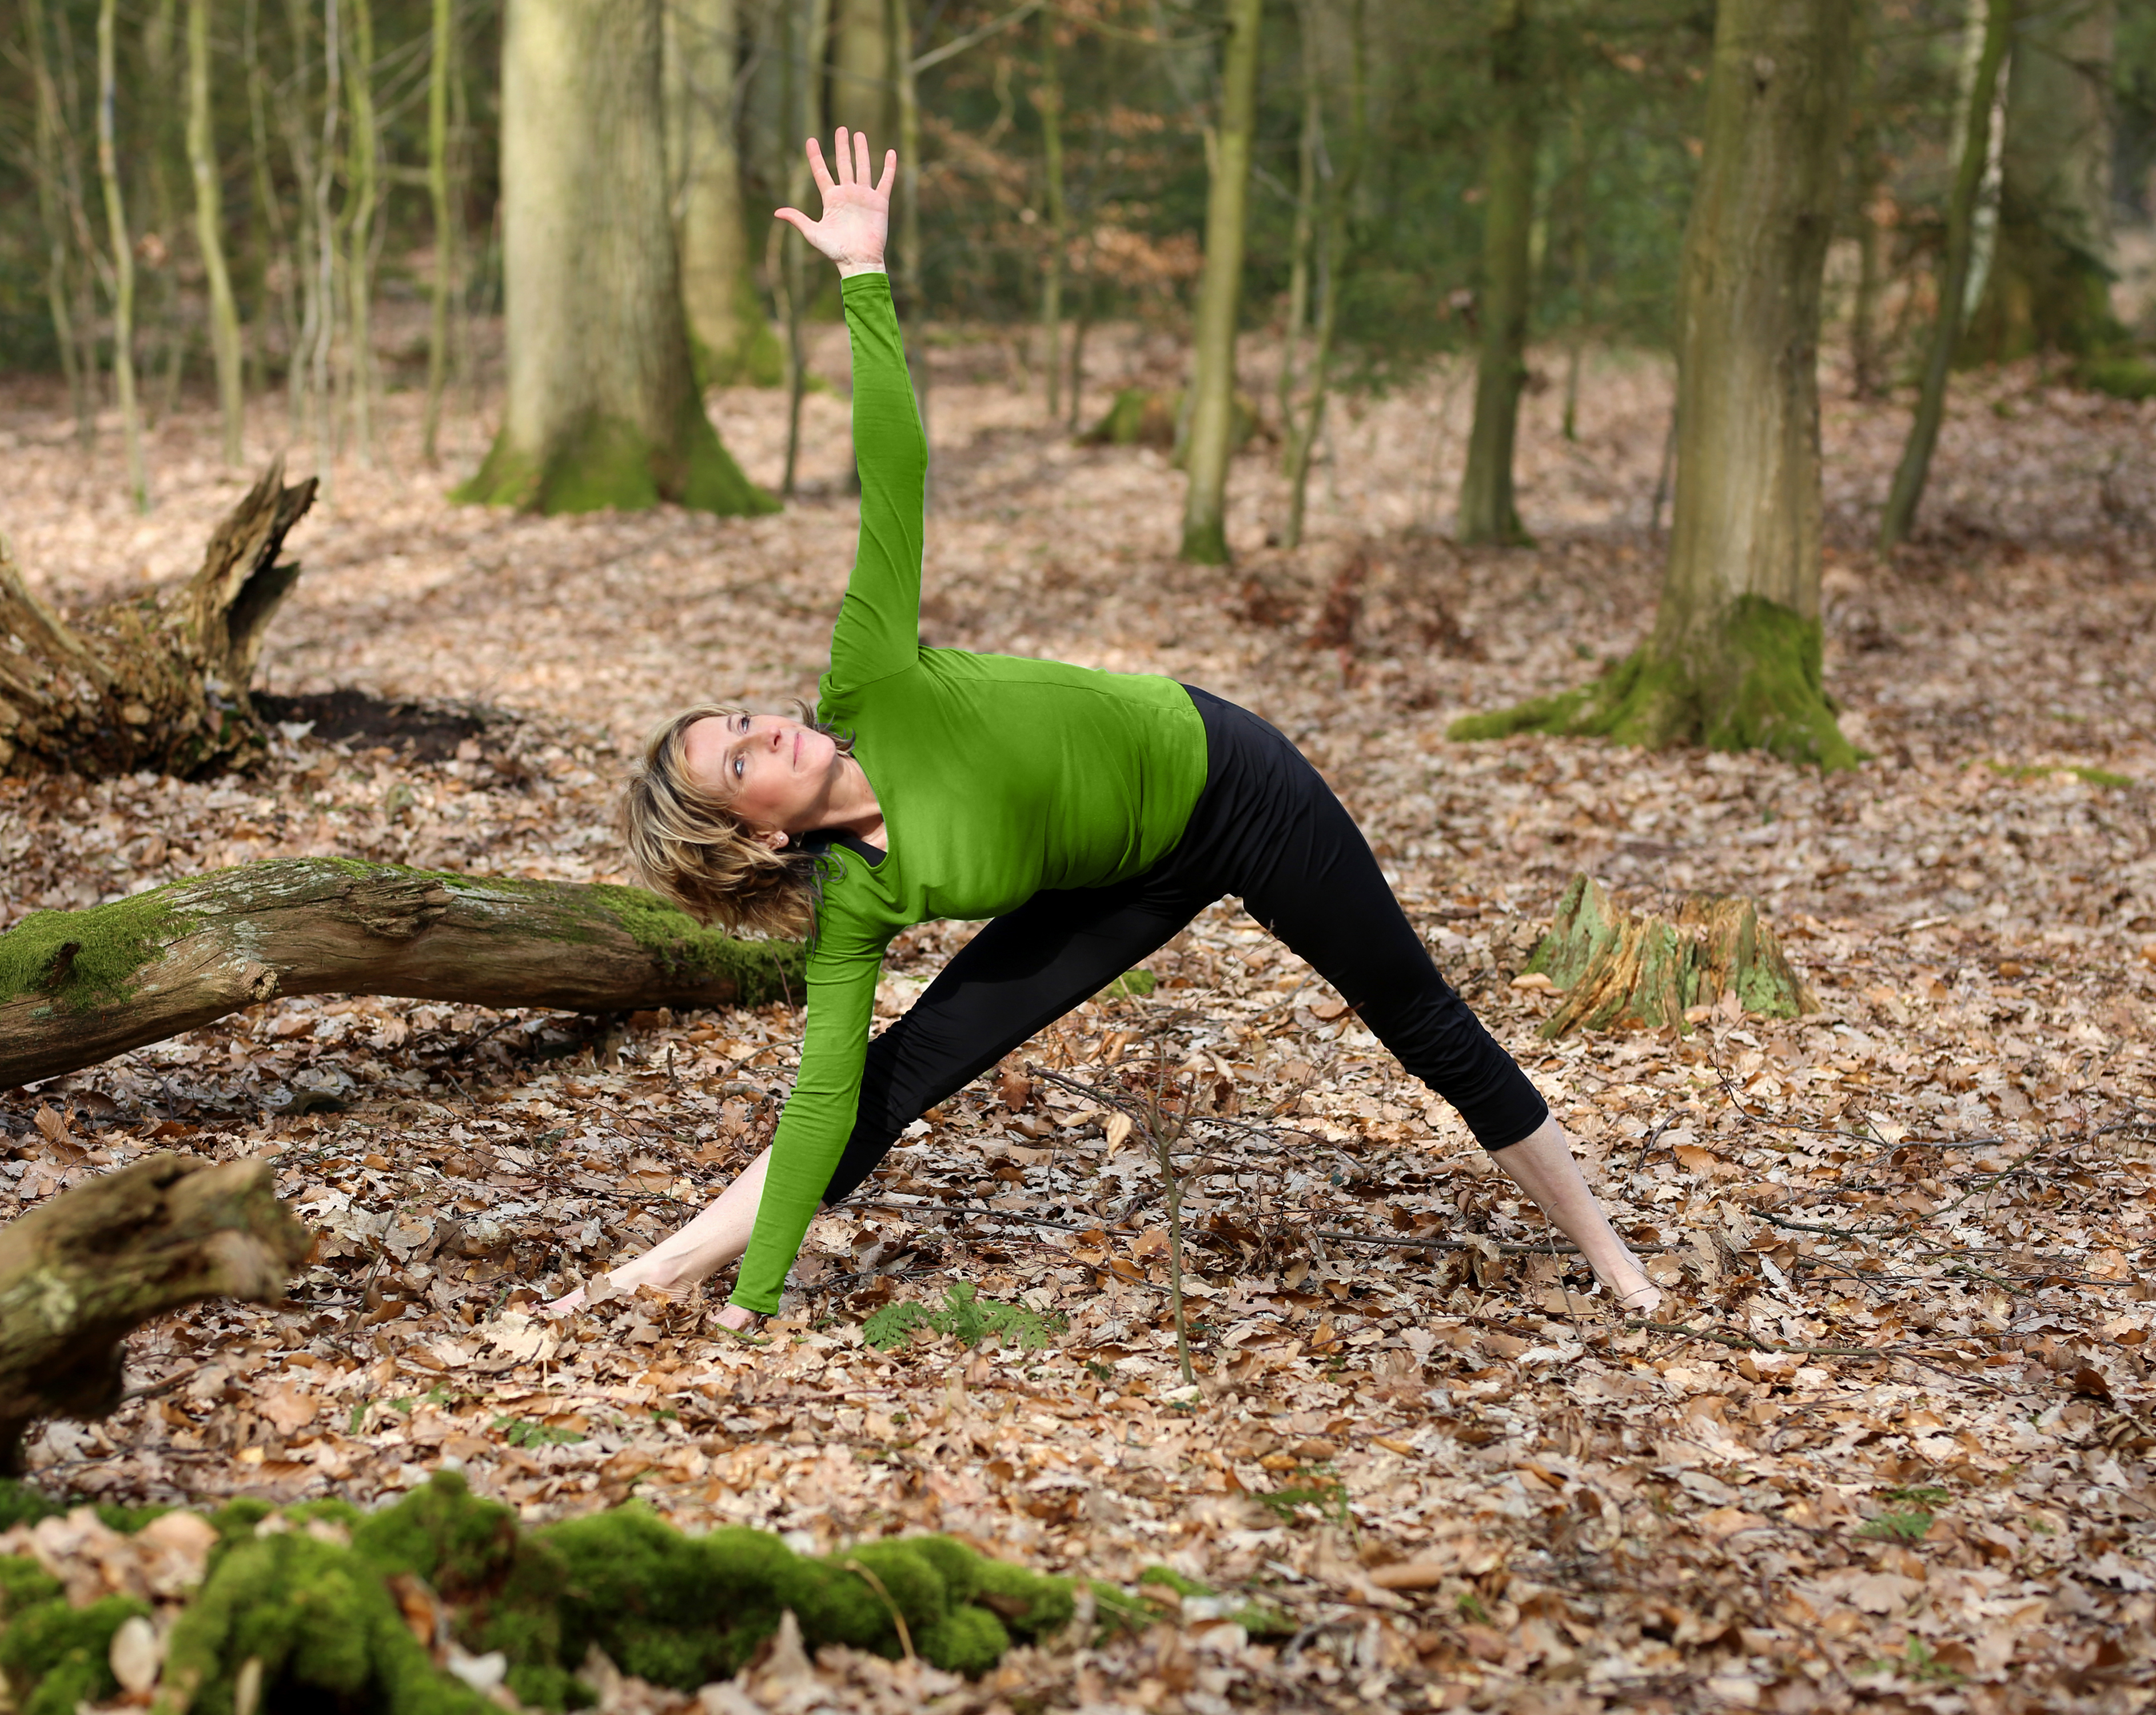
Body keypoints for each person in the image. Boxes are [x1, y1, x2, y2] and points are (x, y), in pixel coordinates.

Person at [615, 129, 1660, 1331]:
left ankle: (1614, 1257)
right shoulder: (853, 906)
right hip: (1112, 885)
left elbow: (892, 468)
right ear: (745, 835)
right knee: (881, 1087)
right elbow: (815, 1108)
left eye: (748, 720)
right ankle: (667, 1274)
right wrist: (754, 1300)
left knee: (1415, 1014)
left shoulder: (872, 680)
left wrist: (863, 279)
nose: (769, 736)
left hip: (1233, 787)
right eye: (738, 760)